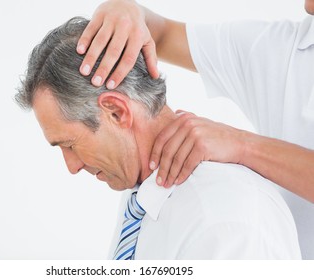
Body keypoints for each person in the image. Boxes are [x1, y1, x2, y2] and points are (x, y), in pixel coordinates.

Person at [16, 17, 301, 259]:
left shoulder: (223, 219)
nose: (72, 166)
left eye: (69, 144)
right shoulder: (143, 196)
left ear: (116, 112)